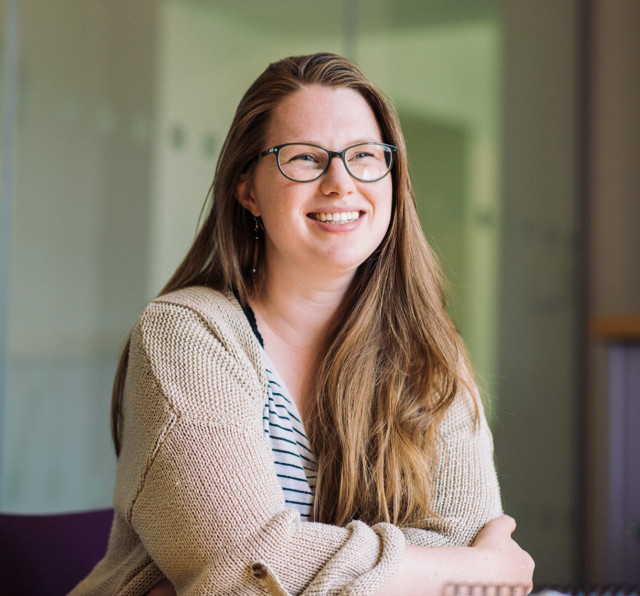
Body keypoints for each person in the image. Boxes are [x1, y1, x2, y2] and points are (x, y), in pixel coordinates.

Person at [71, 52, 534, 595]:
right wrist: (461, 568)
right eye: (305, 159)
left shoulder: (430, 354)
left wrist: (296, 562)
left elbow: (471, 568)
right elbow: (245, 578)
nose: (341, 182)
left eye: (364, 156)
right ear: (247, 190)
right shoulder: (187, 334)